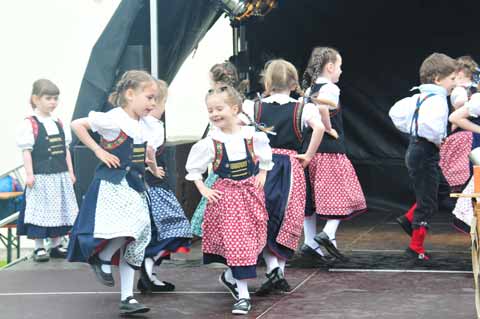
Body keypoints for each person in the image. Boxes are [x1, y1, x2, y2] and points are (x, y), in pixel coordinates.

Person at [67, 70, 163, 315]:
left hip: (135, 182)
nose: (153, 103)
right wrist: (98, 151)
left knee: (138, 238)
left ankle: (127, 297)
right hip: (114, 182)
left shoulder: (146, 124)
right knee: (132, 225)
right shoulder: (114, 119)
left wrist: (153, 166)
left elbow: (145, 152)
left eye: (155, 99)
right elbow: (77, 124)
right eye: (149, 97)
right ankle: (104, 256)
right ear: (130, 94)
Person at [186, 85, 273, 315]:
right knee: (239, 243)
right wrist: (202, 188)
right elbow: (194, 168)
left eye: (219, 108)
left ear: (235, 108)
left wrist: (262, 173)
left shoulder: (252, 136)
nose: (214, 114)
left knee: (254, 241)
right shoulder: (211, 141)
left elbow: (265, 157)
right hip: (227, 197)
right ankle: (243, 296)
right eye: (210, 110)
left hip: (251, 195)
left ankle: (228, 276)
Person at [243, 59, 324, 295]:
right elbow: (318, 128)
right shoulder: (302, 108)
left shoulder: (253, 107)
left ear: (267, 81)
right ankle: (278, 270)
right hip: (290, 165)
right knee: (288, 217)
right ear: (293, 81)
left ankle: (273, 269)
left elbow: (238, 126)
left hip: (261, 167)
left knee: (263, 216)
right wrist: (308, 154)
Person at [301, 47, 367, 263]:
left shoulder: (309, 89)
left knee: (310, 201)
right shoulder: (330, 87)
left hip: (310, 149)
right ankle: (328, 232)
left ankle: (311, 243)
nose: (340, 71)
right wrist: (329, 129)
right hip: (329, 149)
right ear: (330, 67)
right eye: (339, 66)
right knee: (344, 193)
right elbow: (322, 110)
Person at [389, 53, 457, 262]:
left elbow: (396, 113)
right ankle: (415, 247)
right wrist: (438, 139)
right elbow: (429, 125)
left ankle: (409, 219)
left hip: (418, 149)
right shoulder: (437, 100)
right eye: (452, 79)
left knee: (441, 190)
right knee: (427, 200)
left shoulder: (418, 97)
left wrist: (418, 131)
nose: (454, 83)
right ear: (437, 79)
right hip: (424, 151)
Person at [138, 79, 193, 293]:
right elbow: (148, 150)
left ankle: (149, 275)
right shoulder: (154, 126)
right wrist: (153, 167)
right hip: (154, 185)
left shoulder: (136, 123)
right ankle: (149, 265)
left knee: (152, 231)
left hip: (139, 185)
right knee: (174, 229)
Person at [16, 79, 78, 262]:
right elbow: (27, 151)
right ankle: (39, 247)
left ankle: (56, 244)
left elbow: (65, 150)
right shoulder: (30, 124)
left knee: (59, 209)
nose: (53, 102)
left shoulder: (58, 122)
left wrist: (71, 172)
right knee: (41, 211)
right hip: (41, 176)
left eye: (55, 98)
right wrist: (29, 174)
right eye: (48, 98)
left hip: (59, 175)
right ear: (36, 99)